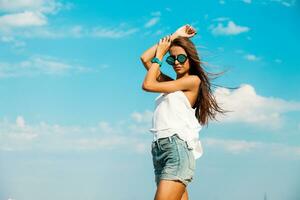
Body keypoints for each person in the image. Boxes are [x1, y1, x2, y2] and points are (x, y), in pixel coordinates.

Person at [140, 24, 227, 200]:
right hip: (160, 151)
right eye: (172, 59)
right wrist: (174, 36)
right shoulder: (172, 85)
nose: (176, 62)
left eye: (181, 57)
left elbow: (147, 85)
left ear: (191, 58)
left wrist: (160, 56)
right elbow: (144, 59)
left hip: (176, 150)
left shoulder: (192, 81)